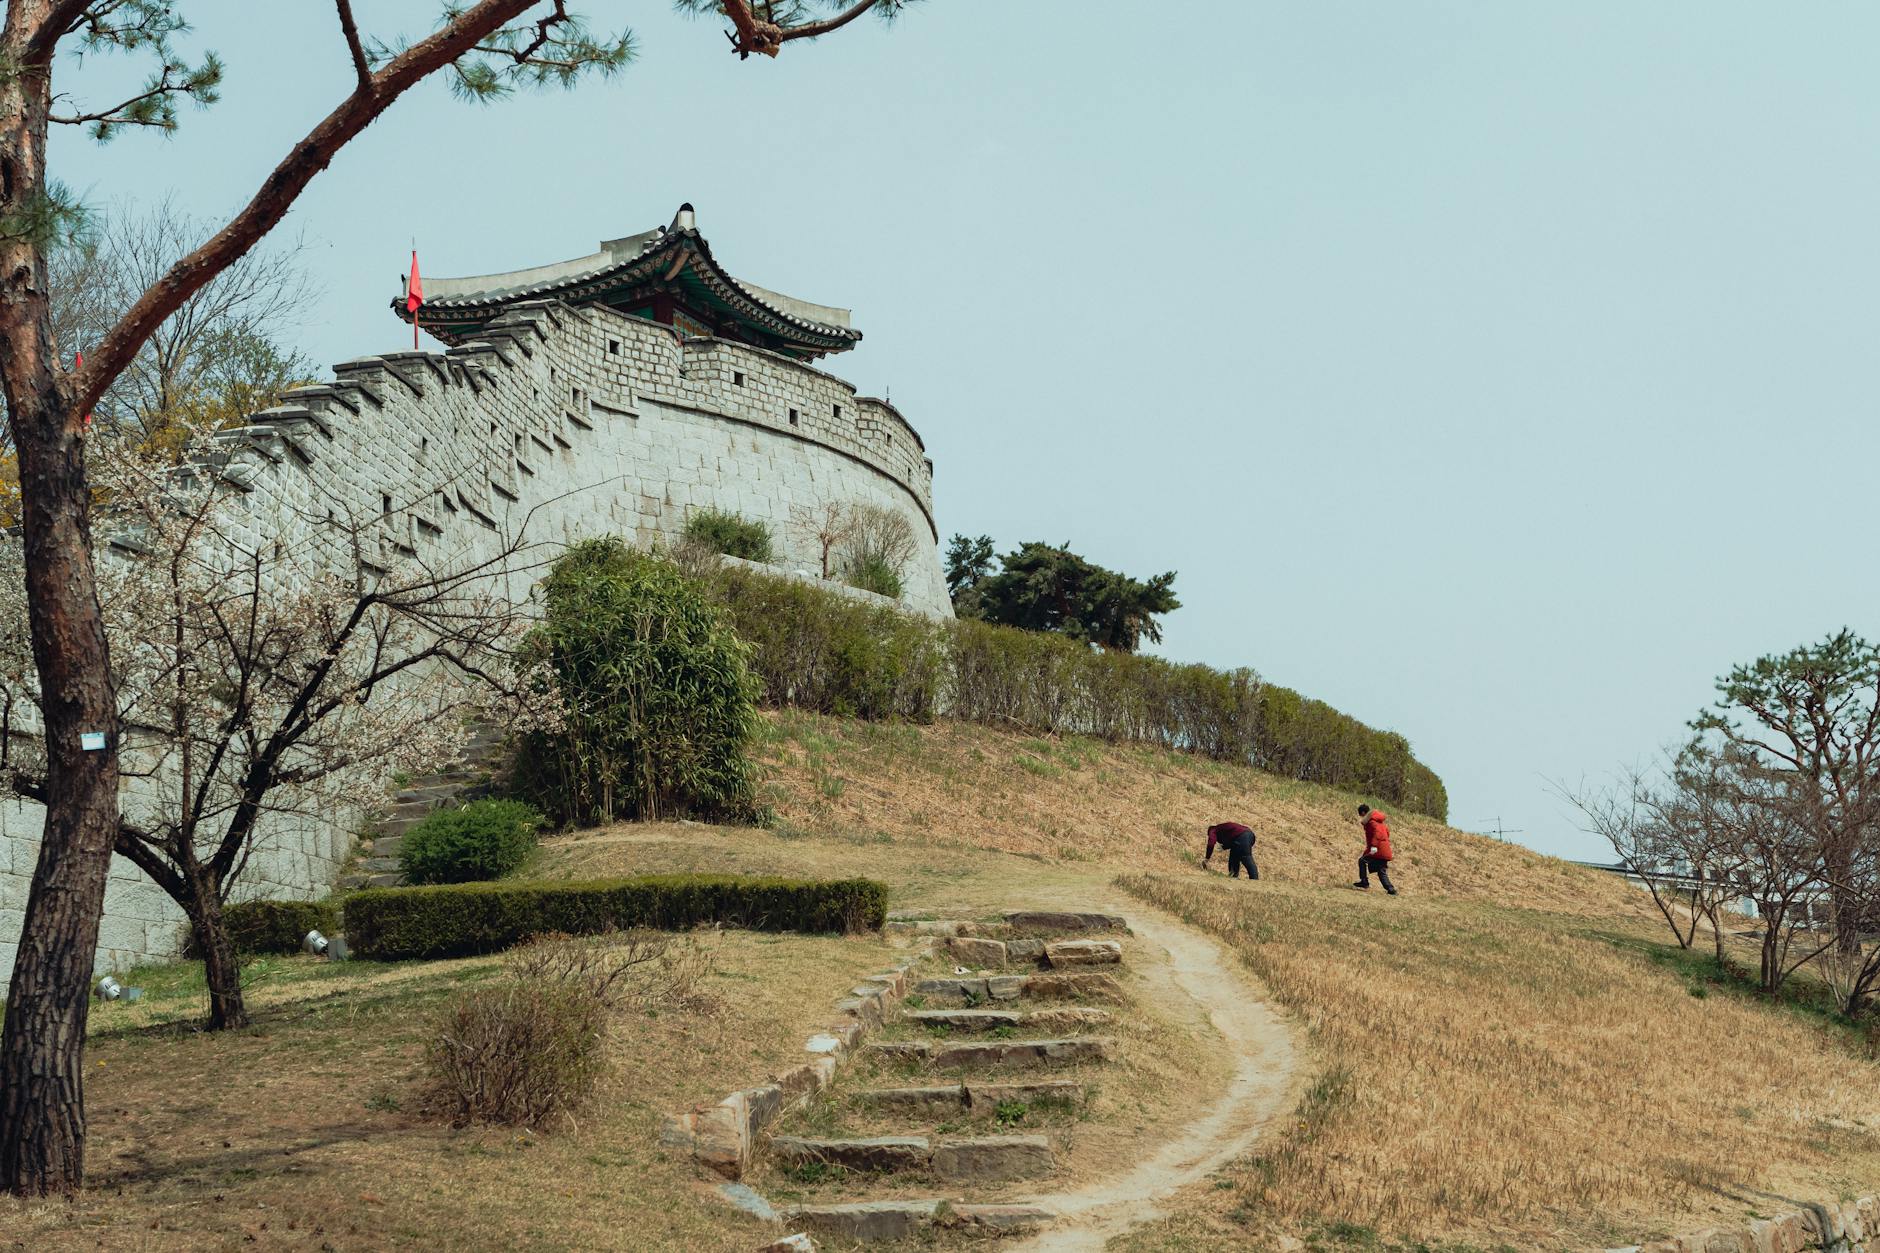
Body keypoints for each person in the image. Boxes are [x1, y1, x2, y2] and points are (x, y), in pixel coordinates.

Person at [1353, 803, 1397, 895]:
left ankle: (1364, 882)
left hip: (1378, 850)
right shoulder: (1379, 822)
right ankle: (1391, 889)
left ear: (1363, 813)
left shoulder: (1371, 822)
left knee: (1362, 861)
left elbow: (1378, 833)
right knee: (1381, 871)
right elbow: (1387, 833)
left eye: (1361, 815)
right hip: (1384, 849)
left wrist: (1374, 846)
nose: (1361, 817)